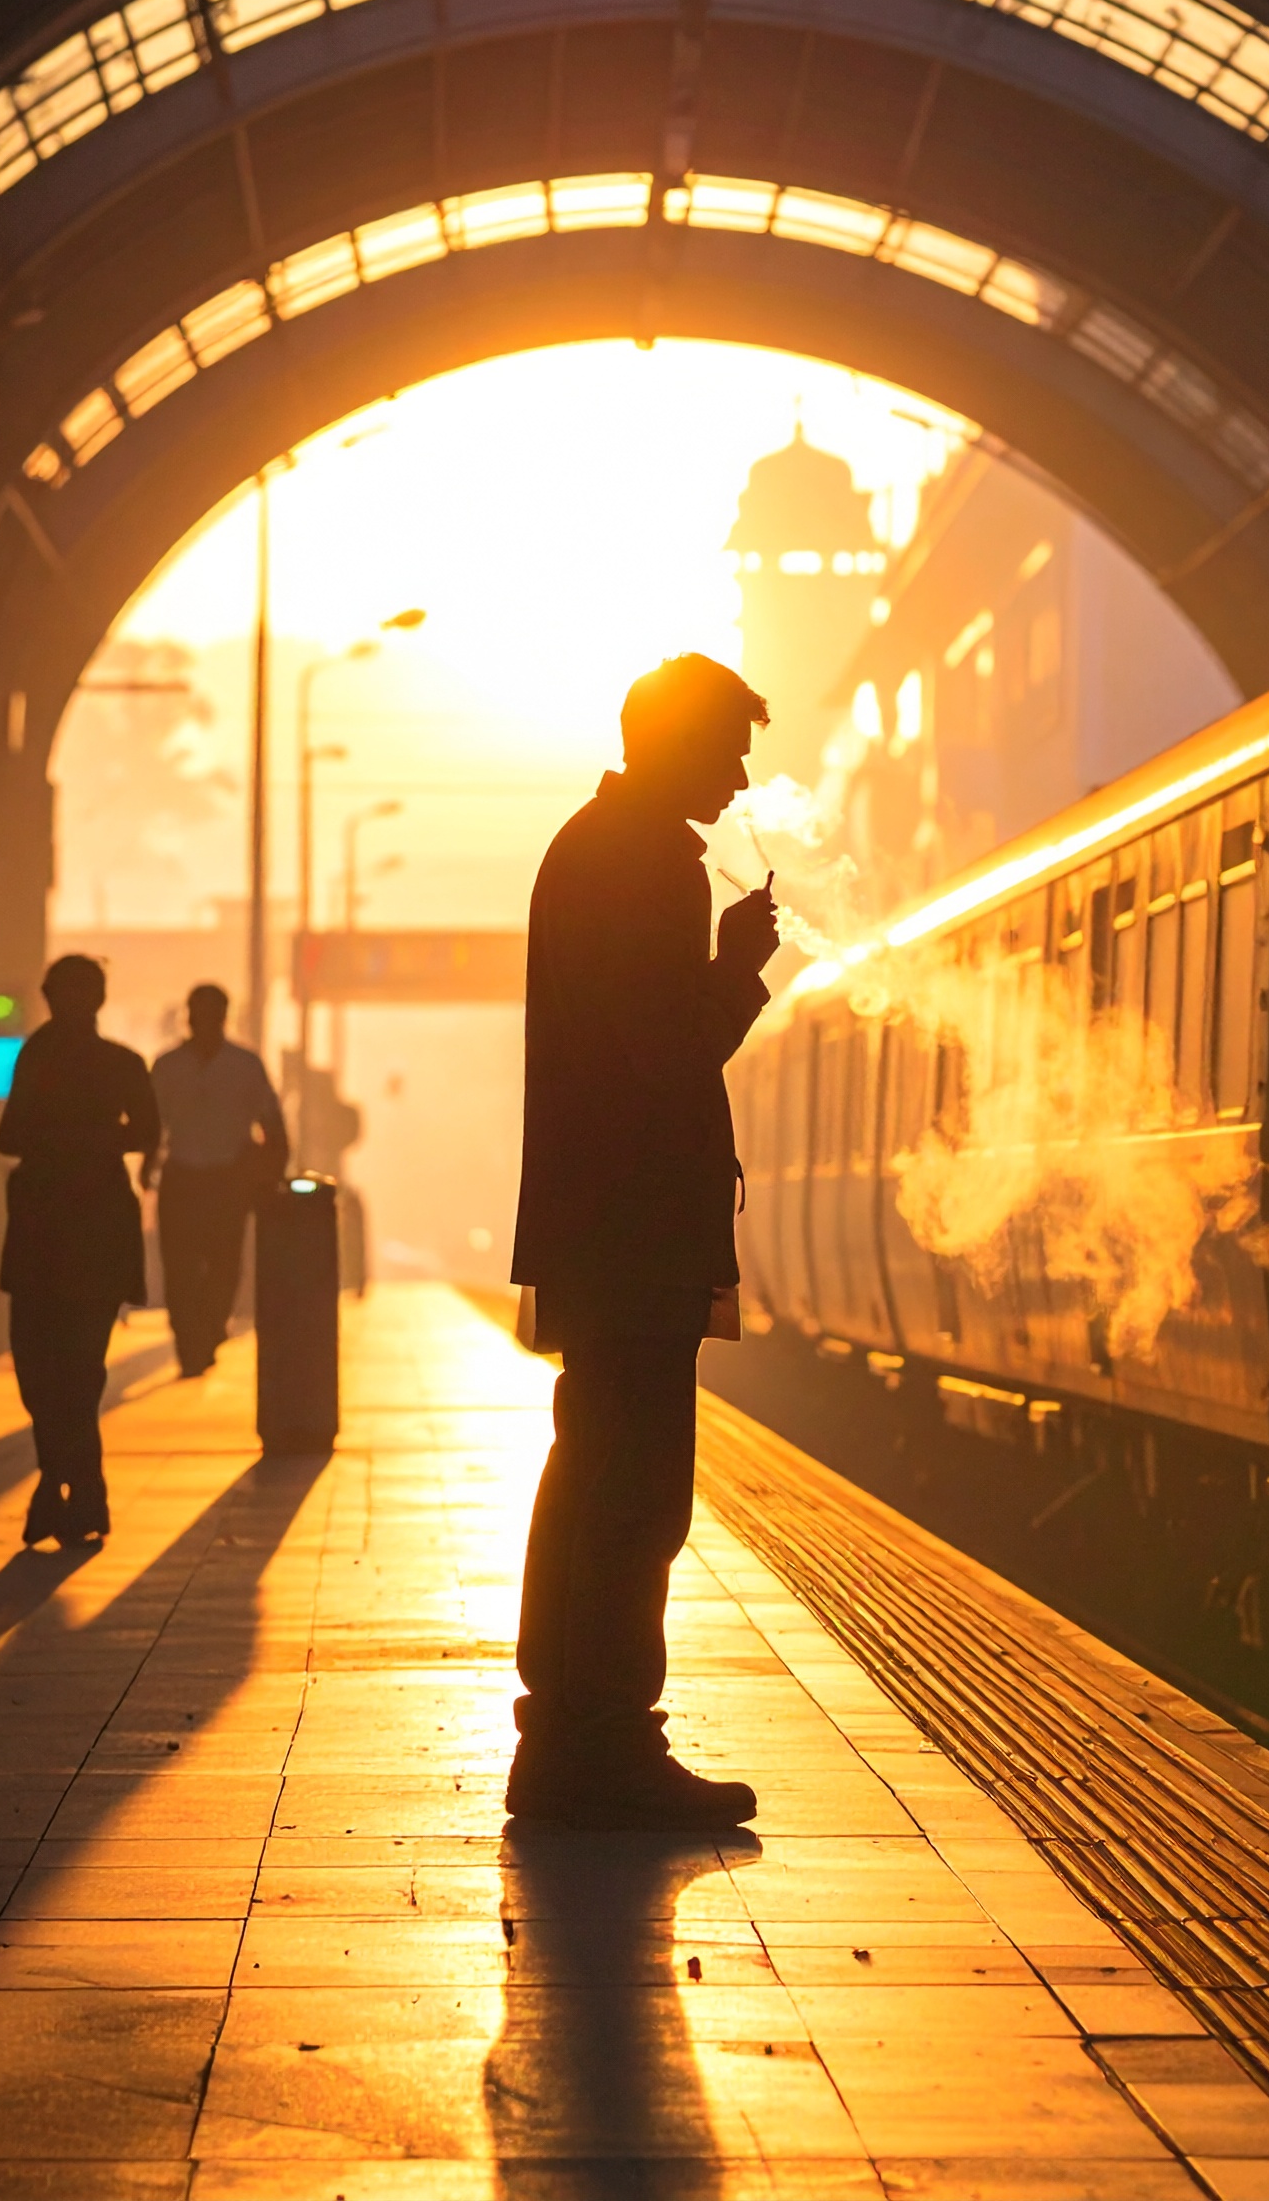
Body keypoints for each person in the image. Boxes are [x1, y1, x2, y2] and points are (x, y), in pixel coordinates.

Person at [509, 652, 780, 1829]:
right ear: (669, 740)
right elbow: (662, 1054)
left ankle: (565, 1732)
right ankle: (609, 1742)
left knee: (592, 1470)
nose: (739, 772)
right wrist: (736, 971)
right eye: (726, 747)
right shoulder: (645, 865)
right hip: (631, 1224)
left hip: (596, 1217)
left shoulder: (590, 844)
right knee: (635, 1493)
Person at [0, 953, 161, 1545]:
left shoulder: (105, 1063)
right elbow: (7, 1136)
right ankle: (77, 1485)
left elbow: (145, 1133)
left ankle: (63, 1486)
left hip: (74, 1232)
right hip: (65, 1231)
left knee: (65, 1369)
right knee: (55, 1371)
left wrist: (75, 1139)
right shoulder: (57, 1059)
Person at [149, 984, 287, 1378]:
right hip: (181, 1175)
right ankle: (188, 1343)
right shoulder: (168, 1066)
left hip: (229, 1177)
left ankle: (211, 1325)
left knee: (225, 1263)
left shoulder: (245, 1065)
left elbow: (271, 1124)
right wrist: (147, 1167)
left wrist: (271, 1175)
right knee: (178, 1266)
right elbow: (152, 1124)